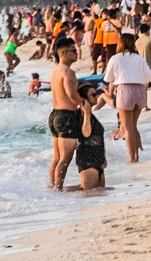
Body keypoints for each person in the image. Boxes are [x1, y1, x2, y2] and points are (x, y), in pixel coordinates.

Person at [47, 38, 83, 188]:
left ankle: (53, 187)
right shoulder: (68, 72)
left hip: (55, 115)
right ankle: (58, 189)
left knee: (57, 158)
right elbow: (71, 94)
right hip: (66, 116)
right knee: (65, 158)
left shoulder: (56, 70)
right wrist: (83, 103)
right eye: (74, 51)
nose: (77, 54)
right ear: (65, 52)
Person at [73, 81, 110, 190]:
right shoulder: (81, 115)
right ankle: (55, 193)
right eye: (93, 95)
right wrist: (87, 114)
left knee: (99, 193)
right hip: (87, 161)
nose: (97, 96)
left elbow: (99, 139)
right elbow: (86, 133)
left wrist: (103, 158)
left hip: (98, 160)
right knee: (87, 192)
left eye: (96, 94)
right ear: (84, 98)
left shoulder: (91, 116)